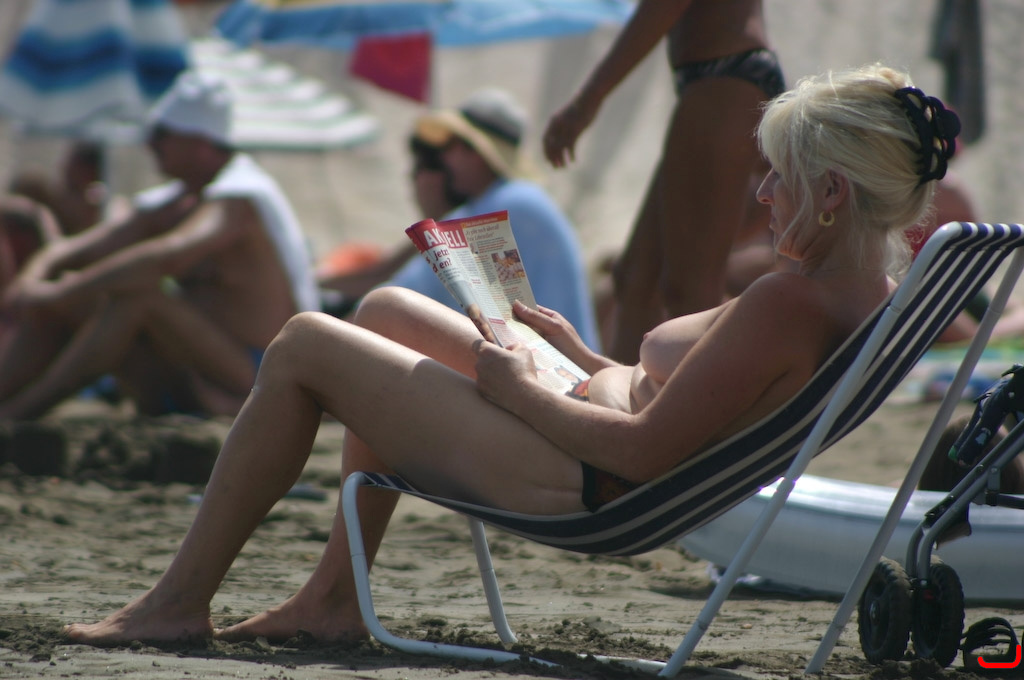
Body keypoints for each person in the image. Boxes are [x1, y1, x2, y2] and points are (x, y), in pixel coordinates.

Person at [64, 64, 958, 647]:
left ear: (831, 193)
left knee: (305, 343)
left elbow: (643, 453)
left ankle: (177, 603)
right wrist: (572, 353)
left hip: (584, 476)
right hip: (583, 424)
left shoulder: (787, 301)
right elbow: (679, 405)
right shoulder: (857, 293)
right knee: (384, 309)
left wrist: (521, 386)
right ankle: (334, 599)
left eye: (778, 176)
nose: (761, 193)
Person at [0, 71, 318, 421]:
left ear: (200, 141)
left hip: (257, 373)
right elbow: (80, 249)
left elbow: (167, 257)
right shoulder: (175, 202)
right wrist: (33, 280)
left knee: (139, 299)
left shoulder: (238, 200)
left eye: (162, 134)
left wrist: (64, 291)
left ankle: (19, 413)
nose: (150, 144)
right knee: (59, 305)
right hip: (194, 367)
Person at [543, 0, 783, 362]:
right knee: (636, 280)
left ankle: (702, 395)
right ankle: (624, 390)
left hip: (725, 76)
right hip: (716, 77)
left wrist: (587, 100)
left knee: (689, 291)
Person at [385, 89, 602, 351]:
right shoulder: (521, 200)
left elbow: (398, 297)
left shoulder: (499, 207)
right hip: (564, 364)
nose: (444, 158)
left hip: (545, 369)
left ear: (475, 152)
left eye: (452, 146)